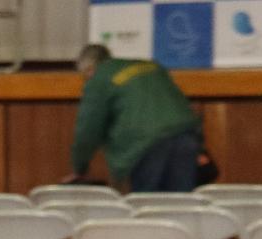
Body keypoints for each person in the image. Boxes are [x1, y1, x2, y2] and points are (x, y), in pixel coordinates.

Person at [67, 44, 203, 193]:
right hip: (186, 136)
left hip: (144, 145)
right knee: (181, 205)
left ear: (89, 69)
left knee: (147, 208)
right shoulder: (151, 66)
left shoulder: (99, 77)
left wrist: (79, 168)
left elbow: (88, 130)